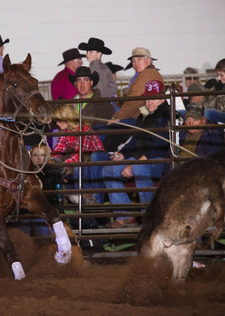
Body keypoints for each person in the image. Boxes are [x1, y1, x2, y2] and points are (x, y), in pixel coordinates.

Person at [101, 80, 172, 228]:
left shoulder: (168, 115)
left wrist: (134, 163)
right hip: (140, 158)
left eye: (153, 98)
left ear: (162, 99)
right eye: (147, 98)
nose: (149, 102)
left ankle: (150, 217)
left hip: (159, 160)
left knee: (139, 169)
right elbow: (135, 140)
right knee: (108, 170)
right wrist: (123, 155)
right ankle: (125, 215)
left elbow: (160, 145)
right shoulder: (144, 115)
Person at [50, 103, 104, 204]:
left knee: (77, 167)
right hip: (80, 162)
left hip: (94, 165)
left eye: (59, 120)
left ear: (68, 118)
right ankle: (72, 197)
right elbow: (58, 150)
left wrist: (63, 165)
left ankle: (83, 195)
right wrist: (51, 161)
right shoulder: (65, 132)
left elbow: (80, 153)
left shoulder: (85, 130)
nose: (57, 123)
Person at [109, 48, 163, 124]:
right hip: (141, 116)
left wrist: (118, 117)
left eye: (139, 60)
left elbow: (135, 100)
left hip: (138, 118)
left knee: (102, 128)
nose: (136, 63)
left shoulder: (147, 74)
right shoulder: (149, 74)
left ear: (149, 61)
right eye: (133, 61)